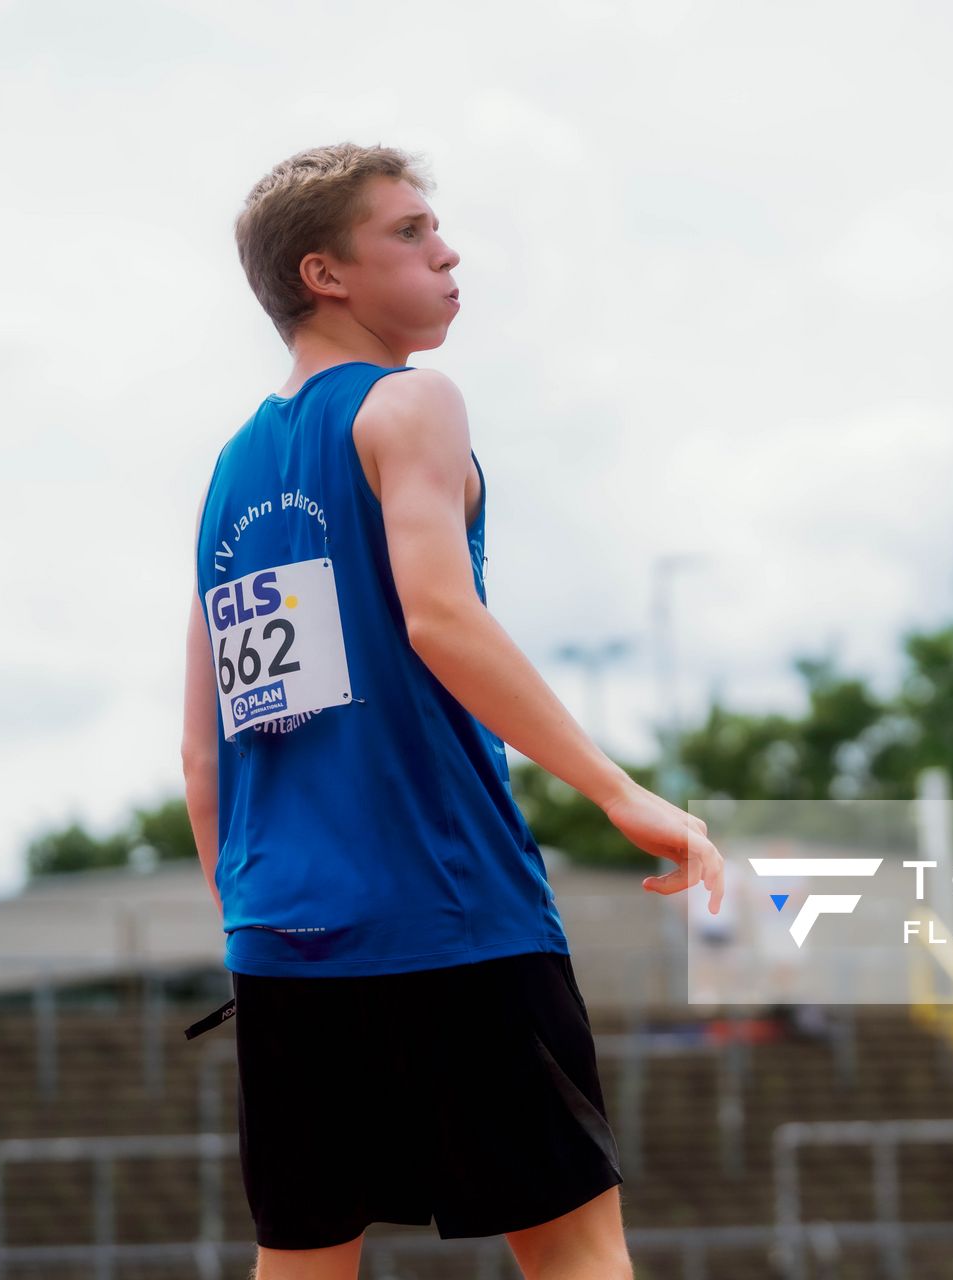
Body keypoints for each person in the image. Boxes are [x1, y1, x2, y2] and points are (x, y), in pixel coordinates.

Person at [179, 142, 725, 1280]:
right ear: (326, 273)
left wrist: (254, 913)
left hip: (285, 940)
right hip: (452, 910)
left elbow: (202, 745)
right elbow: (442, 616)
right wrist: (621, 790)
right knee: (576, 1248)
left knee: (302, 1260)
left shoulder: (230, 472)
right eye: (413, 232)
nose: (448, 249)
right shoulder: (410, 402)